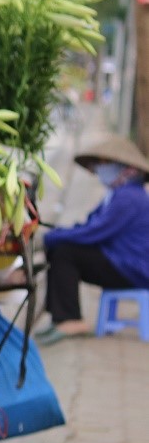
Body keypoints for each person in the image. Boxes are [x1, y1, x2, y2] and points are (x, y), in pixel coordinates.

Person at [36, 134, 149, 345]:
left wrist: (50, 238)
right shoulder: (118, 193)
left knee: (65, 251)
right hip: (122, 262)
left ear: (122, 165)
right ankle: (60, 316)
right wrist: (58, 234)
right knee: (61, 247)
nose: (99, 168)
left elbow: (93, 233)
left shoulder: (129, 197)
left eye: (104, 163)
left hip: (134, 270)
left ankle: (71, 320)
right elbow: (89, 224)